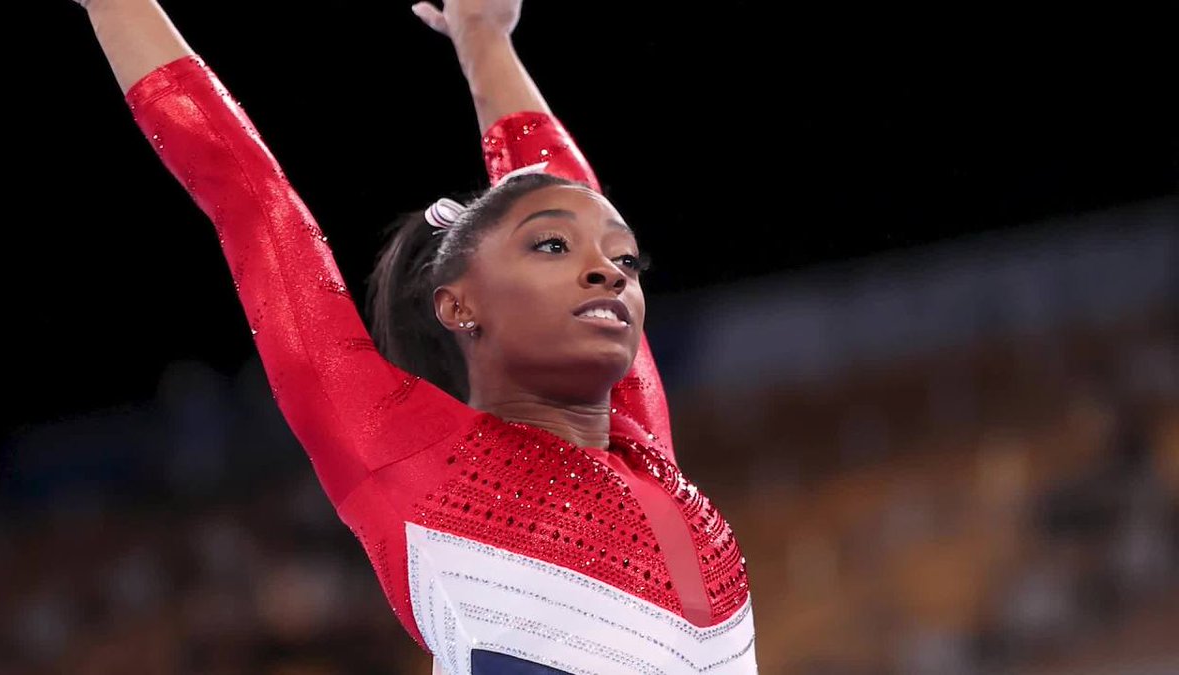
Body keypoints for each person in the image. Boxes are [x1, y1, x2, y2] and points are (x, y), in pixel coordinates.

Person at [72, 0, 756, 672]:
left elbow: (564, 186)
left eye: (624, 259)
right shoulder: (408, 456)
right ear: (461, 306)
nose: (608, 271)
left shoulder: (646, 458)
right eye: (551, 246)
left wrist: (482, 34)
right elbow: (251, 199)